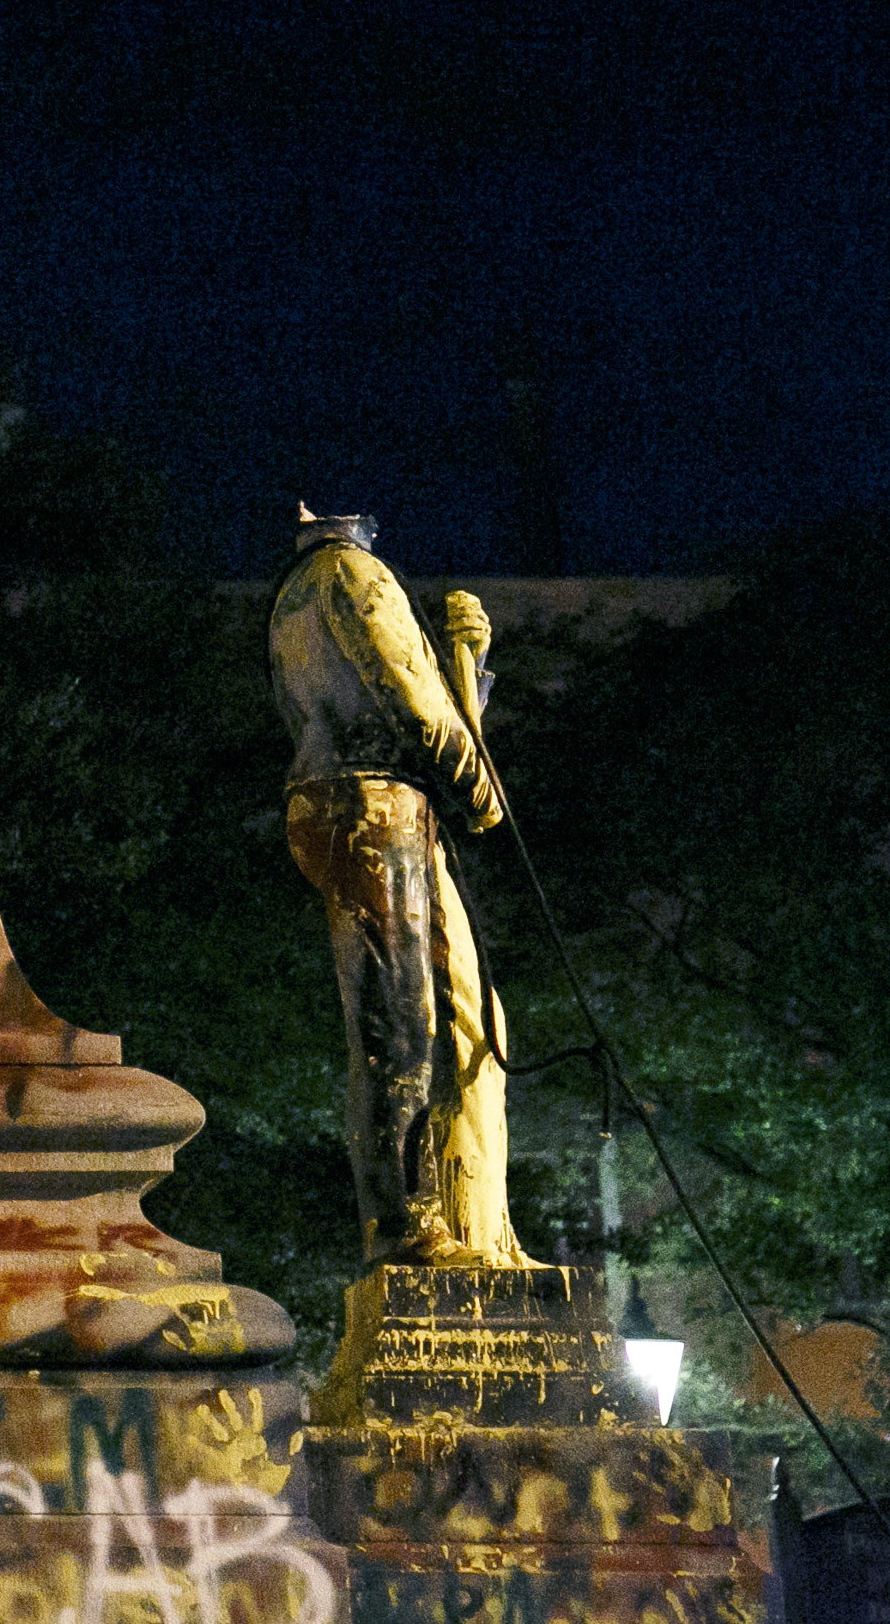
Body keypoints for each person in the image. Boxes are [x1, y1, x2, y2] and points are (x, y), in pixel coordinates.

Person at [269, 505, 531, 1268]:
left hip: (346, 804)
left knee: (434, 1017)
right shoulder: (354, 575)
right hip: (372, 808)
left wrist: (466, 688)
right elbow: (412, 704)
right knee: (402, 1027)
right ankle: (408, 1226)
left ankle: (446, 1220)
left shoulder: (293, 592)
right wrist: (478, 783)